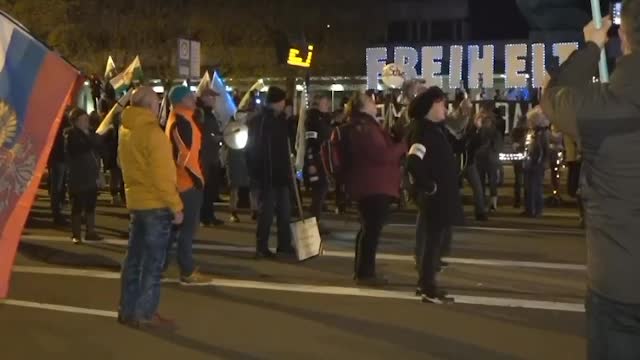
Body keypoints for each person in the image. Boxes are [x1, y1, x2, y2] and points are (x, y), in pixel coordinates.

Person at [540, 4, 640, 358]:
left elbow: (552, 94)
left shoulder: (601, 109)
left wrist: (591, 47)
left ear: (623, 36)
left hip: (619, 283)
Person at [117, 86, 183, 330]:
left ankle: (127, 309)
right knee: (153, 264)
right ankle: (145, 312)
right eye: (157, 102)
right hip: (156, 204)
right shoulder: (153, 134)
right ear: (149, 106)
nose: (159, 106)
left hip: (137, 202)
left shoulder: (125, 130)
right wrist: (175, 206)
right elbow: (163, 176)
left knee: (134, 260)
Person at [407, 87, 462, 304]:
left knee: (434, 243)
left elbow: (458, 147)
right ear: (430, 107)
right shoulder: (423, 131)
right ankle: (428, 287)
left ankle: (426, 284)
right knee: (432, 244)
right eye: (441, 104)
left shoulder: (435, 129)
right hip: (434, 199)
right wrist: (430, 187)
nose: (445, 108)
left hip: (440, 197)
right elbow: (413, 163)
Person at [345, 92, 406, 286]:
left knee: (368, 229)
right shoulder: (364, 128)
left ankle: (363, 271)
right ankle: (365, 273)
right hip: (372, 185)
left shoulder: (367, 125)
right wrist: (403, 147)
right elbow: (381, 155)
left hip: (372, 183)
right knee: (371, 230)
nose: (374, 103)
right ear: (362, 106)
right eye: (370, 101)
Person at [164, 85, 209, 283]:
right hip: (185, 184)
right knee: (186, 229)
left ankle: (164, 267)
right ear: (181, 100)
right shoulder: (181, 120)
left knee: (175, 229)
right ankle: (187, 270)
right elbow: (182, 155)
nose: (194, 98)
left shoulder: (184, 118)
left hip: (182, 182)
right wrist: (196, 178)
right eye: (190, 96)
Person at [246, 86, 296, 258]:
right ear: (278, 102)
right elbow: (255, 149)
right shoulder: (261, 121)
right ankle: (262, 246)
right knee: (266, 213)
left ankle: (284, 244)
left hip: (280, 174)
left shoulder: (279, 120)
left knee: (284, 211)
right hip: (267, 174)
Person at [64, 108, 103, 244]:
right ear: (75, 121)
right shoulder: (71, 134)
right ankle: (76, 234)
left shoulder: (91, 133)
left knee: (91, 205)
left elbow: (99, 145)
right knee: (77, 205)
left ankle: (90, 231)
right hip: (78, 175)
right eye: (83, 120)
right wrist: (92, 139)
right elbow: (77, 149)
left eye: (87, 119)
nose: (87, 122)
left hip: (91, 174)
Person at [303, 94, 332, 232]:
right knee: (319, 191)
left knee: (321, 191)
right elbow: (312, 143)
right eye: (325, 102)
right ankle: (313, 222)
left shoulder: (322, 119)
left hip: (321, 159)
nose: (328, 105)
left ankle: (315, 220)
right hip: (316, 160)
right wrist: (312, 162)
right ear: (318, 104)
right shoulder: (313, 120)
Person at [196, 88, 224, 227]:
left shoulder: (209, 114)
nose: (214, 100)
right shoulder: (200, 113)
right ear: (205, 97)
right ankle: (204, 216)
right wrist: (215, 138)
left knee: (211, 188)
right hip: (205, 156)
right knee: (205, 188)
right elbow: (202, 135)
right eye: (212, 97)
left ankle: (209, 215)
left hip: (211, 155)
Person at [522, 107, 550, 218]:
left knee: (535, 188)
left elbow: (545, 149)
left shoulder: (543, 133)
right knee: (529, 187)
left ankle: (536, 210)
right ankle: (529, 209)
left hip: (537, 164)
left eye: (530, 120)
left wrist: (542, 162)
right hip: (530, 163)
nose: (528, 122)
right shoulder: (532, 132)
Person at [48, 112, 70, 226]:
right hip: (58, 157)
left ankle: (57, 211)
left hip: (57, 157)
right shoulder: (61, 121)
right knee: (57, 187)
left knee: (57, 186)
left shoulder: (54, 120)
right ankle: (57, 212)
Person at [510, 116, 528, 208]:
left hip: (520, 159)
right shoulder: (526, 131)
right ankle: (520, 201)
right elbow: (514, 144)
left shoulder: (517, 131)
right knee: (521, 181)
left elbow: (513, 144)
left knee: (519, 181)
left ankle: (518, 201)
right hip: (522, 159)